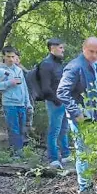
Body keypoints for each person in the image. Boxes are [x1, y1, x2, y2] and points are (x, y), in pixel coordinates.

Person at [57, 37, 97, 194]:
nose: (94, 55)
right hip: (81, 118)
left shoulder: (93, 66)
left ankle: (88, 184)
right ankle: (85, 188)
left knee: (89, 151)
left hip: (92, 116)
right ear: (84, 48)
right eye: (91, 51)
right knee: (83, 152)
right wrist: (76, 113)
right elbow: (62, 92)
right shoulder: (75, 66)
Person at [0, 46, 33, 156]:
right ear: (4, 56)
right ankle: (17, 153)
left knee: (22, 129)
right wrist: (9, 83)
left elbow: (24, 88)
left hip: (21, 104)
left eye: (13, 56)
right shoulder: (0, 71)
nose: (11, 59)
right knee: (14, 130)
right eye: (8, 56)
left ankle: (21, 151)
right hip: (9, 104)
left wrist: (28, 103)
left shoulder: (18, 70)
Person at [39, 38, 70, 169]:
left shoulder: (58, 63)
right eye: (60, 48)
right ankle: (53, 159)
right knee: (54, 130)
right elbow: (45, 87)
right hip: (54, 102)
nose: (63, 50)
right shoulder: (46, 64)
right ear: (52, 48)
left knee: (64, 129)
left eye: (63, 48)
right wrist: (56, 100)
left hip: (64, 101)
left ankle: (66, 154)